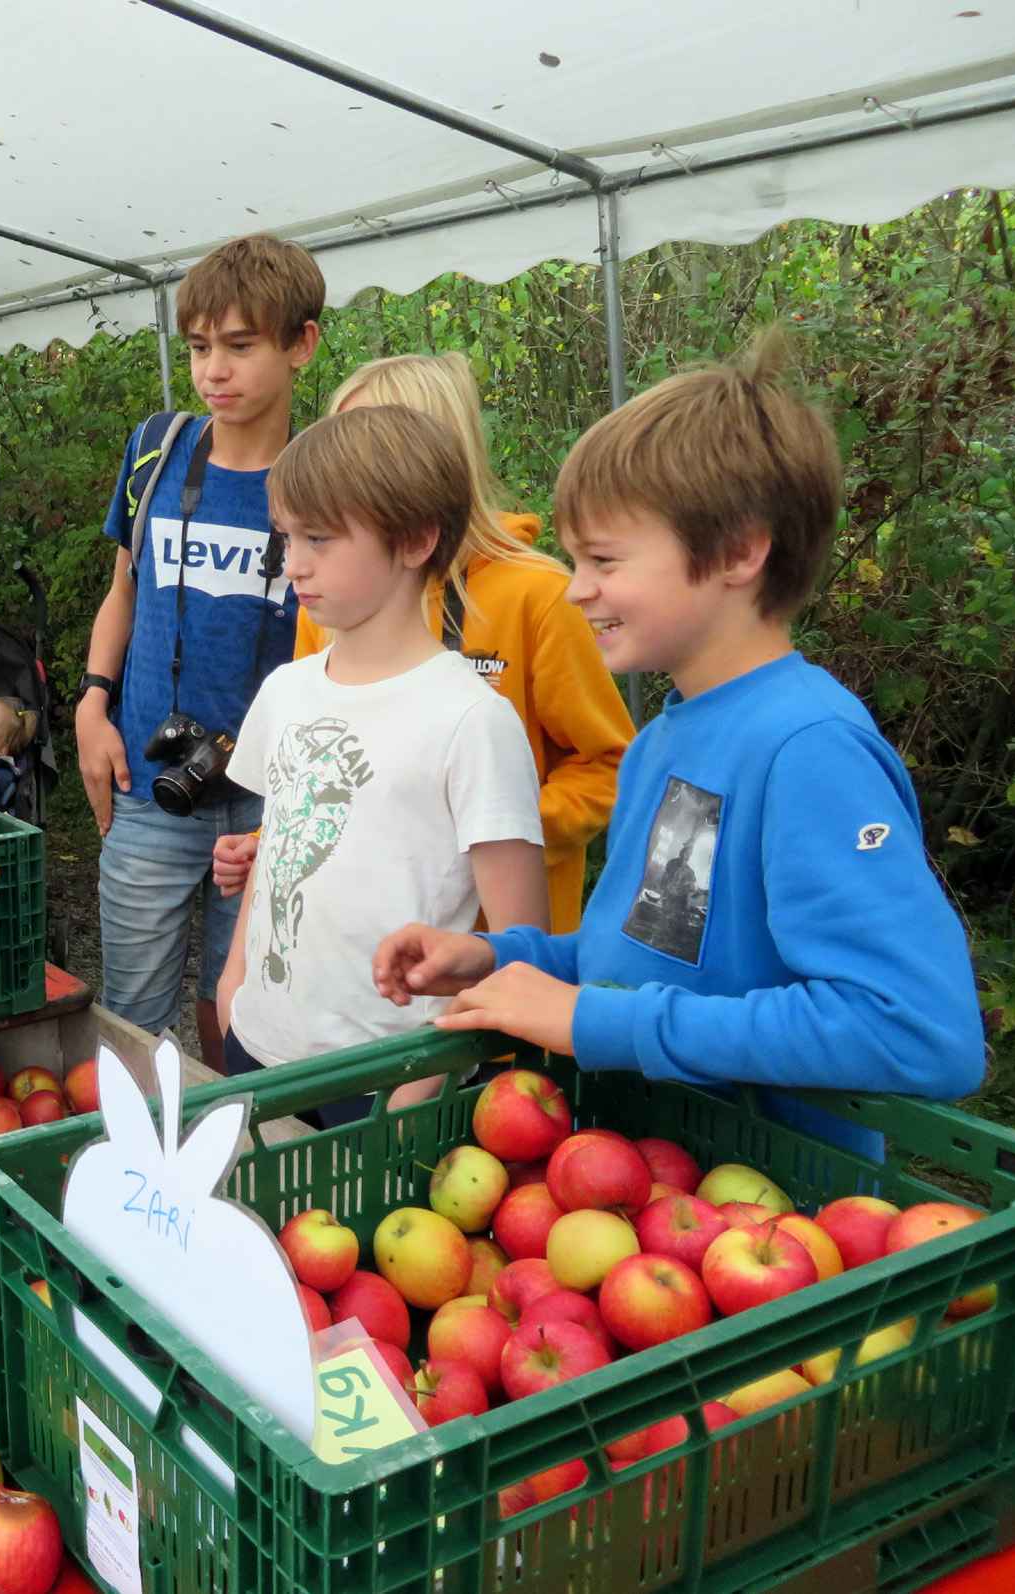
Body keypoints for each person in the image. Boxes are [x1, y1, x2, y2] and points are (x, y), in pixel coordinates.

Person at [372, 334, 987, 1159]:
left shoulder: (809, 748)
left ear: (738, 550)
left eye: (604, 559)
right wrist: (497, 954)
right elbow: (645, 957)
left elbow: (917, 1030)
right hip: (642, 1189)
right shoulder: (661, 738)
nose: (577, 586)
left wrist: (599, 1020)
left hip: (780, 1224)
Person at [212, 354, 634, 933]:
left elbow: (608, 764)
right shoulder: (333, 604)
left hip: (490, 950)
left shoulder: (535, 595)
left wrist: (491, 832)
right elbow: (310, 755)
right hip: (358, 951)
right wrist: (268, 841)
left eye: (368, 450)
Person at [217, 406, 546, 1114]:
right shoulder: (287, 689)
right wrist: (232, 984)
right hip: (259, 1050)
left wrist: (418, 1090)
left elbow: (522, 944)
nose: (293, 564)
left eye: (320, 539)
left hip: (387, 1079)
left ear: (415, 540)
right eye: (287, 537)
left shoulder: (472, 719)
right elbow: (279, 846)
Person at [74, 233, 318, 1061]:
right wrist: (91, 703)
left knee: (243, 1009)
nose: (215, 370)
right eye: (201, 347)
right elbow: (123, 591)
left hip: (269, 800)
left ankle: (231, 1169)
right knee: (130, 1018)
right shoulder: (157, 449)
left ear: (301, 345)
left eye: (241, 346)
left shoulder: (327, 480)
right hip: (149, 777)